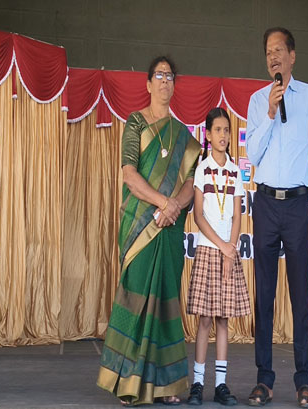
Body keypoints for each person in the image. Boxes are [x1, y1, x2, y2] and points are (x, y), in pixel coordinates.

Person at [97, 56, 202, 406]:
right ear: (148, 83)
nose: (164, 80)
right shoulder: (136, 123)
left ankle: (167, 386)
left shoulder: (184, 136)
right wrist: (163, 203)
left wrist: (173, 207)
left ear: (175, 84)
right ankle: (127, 383)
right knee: (137, 300)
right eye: (159, 75)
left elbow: (190, 183)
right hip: (140, 225)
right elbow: (129, 175)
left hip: (168, 230)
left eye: (170, 76)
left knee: (166, 305)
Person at [245, 27, 308, 408]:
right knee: (264, 296)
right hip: (265, 203)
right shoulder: (257, 100)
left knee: (299, 298)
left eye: (278, 50)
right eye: (268, 52)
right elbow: (252, 154)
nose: (273, 56)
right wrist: (269, 112)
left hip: (297, 206)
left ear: (292, 56)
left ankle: (303, 381)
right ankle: (264, 380)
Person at [186, 107, 251, 406]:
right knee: (204, 320)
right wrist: (221, 246)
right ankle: (198, 383)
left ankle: (221, 385)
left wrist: (230, 248)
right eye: (218, 130)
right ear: (208, 135)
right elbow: (198, 216)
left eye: (227, 130)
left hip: (228, 253)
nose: (223, 135)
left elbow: (237, 216)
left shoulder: (236, 172)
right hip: (208, 250)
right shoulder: (202, 169)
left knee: (223, 320)